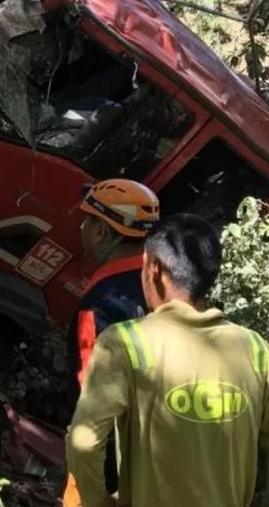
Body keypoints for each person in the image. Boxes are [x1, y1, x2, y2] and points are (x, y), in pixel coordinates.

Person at [65, 214, 269, 507]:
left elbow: (84, 443)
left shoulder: (124, 344)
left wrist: (98, 502)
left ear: (153, 270)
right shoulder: (255, 351)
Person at [62, 179, 159, 507]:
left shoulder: (100, 303)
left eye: (87, 220)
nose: (82, 227)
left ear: (102, 232)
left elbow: (92, 395)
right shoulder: (167, 287)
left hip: (112, 465)